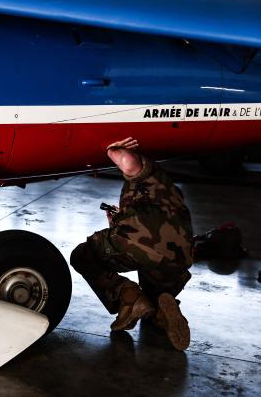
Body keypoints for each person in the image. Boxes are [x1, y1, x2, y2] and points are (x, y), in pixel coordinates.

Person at [70, 137, 193, 351]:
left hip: (141, 245)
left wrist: (112, 150)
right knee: (154, 292)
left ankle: (128, 296)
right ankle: (162, 311)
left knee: (82, 255)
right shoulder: (171, 192)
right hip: (179, 260)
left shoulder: (145, 172)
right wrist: (118, 221)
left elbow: (129, 163)